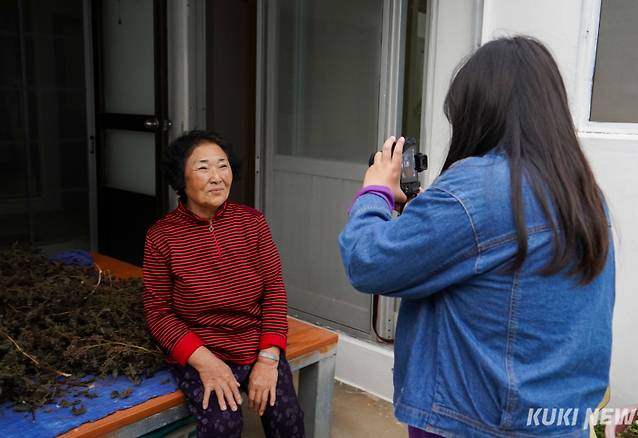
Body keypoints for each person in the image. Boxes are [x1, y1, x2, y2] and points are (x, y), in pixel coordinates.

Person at [339, 36, 614, 437]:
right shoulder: (583, 192)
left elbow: (368, 262)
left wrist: (375, 193)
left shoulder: (477, 187)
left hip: (475, 421)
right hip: (559, 420)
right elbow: (492, 260)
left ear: (480, 112)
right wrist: (416, 211)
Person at [143, 130, 304, 438]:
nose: (217, 177)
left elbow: (274, 291)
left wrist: (269, 359)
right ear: (181, 178)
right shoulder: (161, 236)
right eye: (203, 167)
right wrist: (207, 364)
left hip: (255, 343)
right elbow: (158, 313)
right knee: (223, 426)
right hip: (201, 348)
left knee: (287, 419)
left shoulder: (252, 223)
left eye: (223, 165)